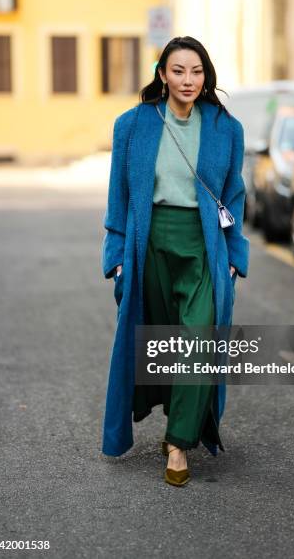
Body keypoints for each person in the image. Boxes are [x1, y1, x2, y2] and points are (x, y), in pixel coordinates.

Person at [101, 36, 250, 486]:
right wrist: (117, 256)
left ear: (206, 77)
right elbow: (119, 196)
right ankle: (172, 421)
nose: (188, 80)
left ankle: (178, 443)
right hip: (148, 243)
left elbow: (234, 195)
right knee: (161, 338)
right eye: (179, 70)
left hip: (204, 242)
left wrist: (233, 255)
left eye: (197, 71)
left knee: (198, 337)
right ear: (162, 74)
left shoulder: (227, 127)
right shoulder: (133, 124)